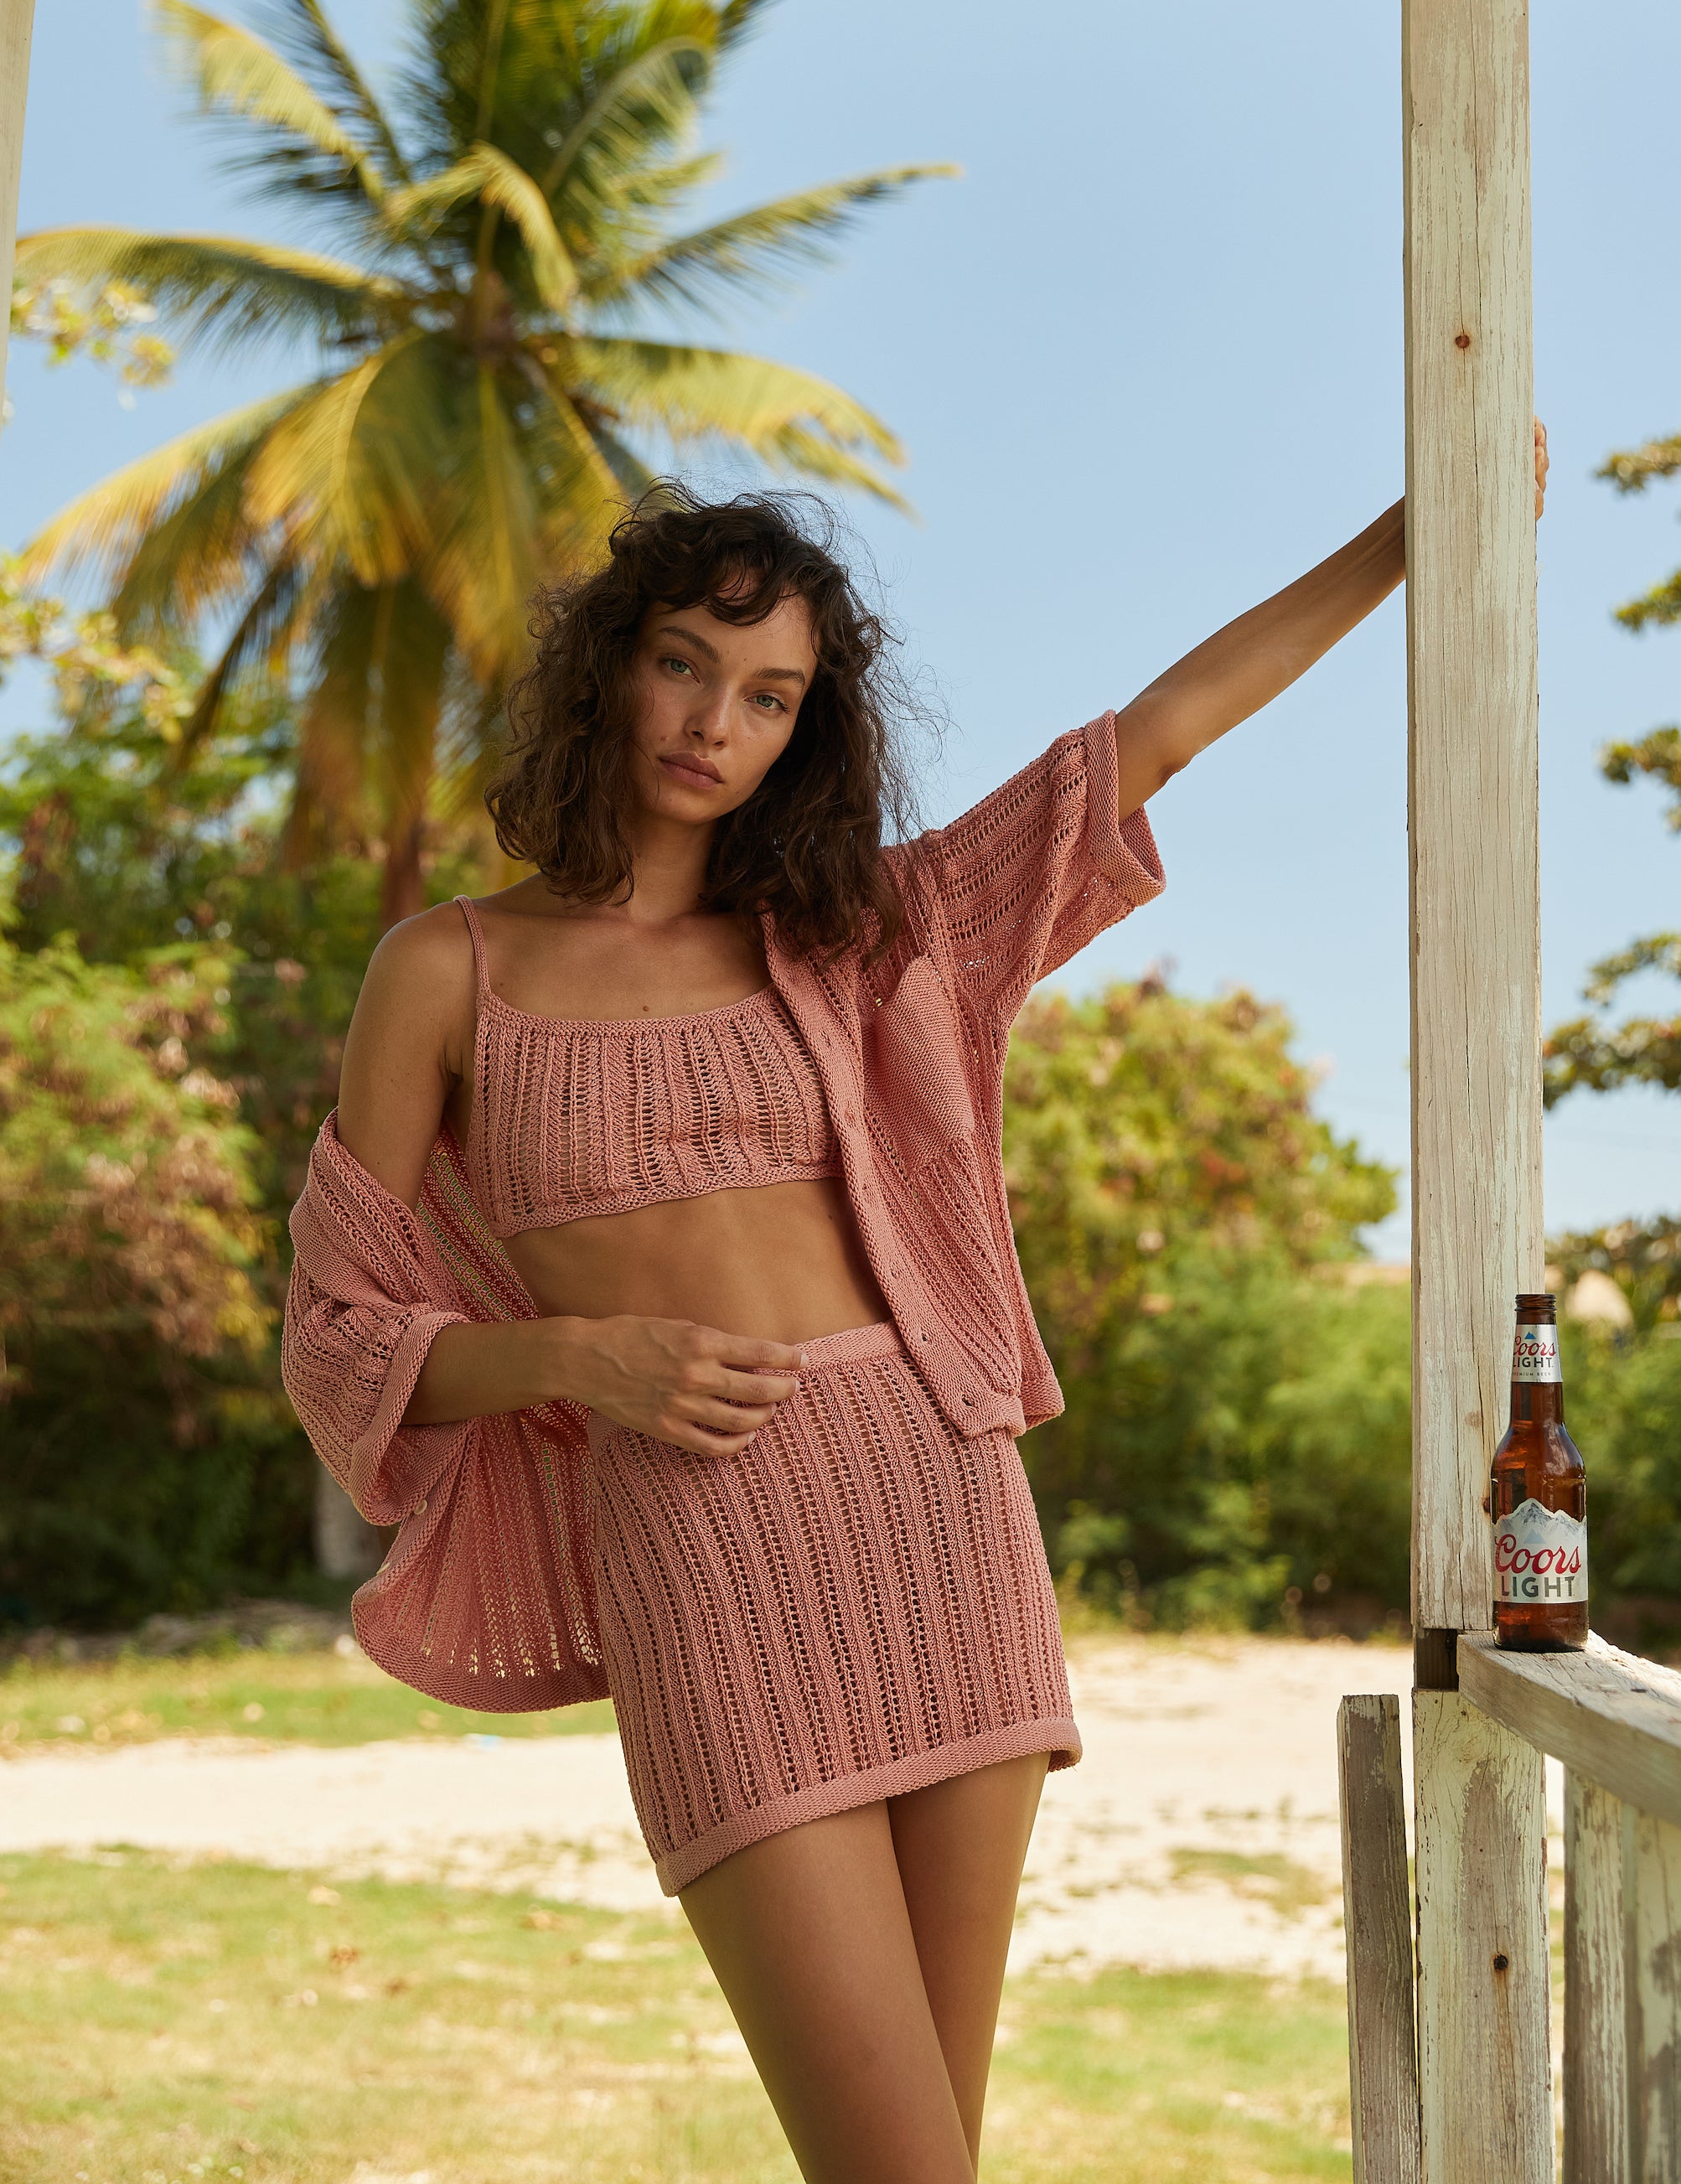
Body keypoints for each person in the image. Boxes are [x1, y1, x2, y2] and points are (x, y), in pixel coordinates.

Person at [290, 429, 1548, 2184]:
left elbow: (1149, 738)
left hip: (932, 1504)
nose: (713, 721)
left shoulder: (856, 936)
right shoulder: (446, 966)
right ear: (611, 664)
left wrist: (1408, 539)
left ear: (806, 730)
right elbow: (342, 1330)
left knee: (926, 2159)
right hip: (708, 1547)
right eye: (683, 663)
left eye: (770, 695)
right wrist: (581, 1357)